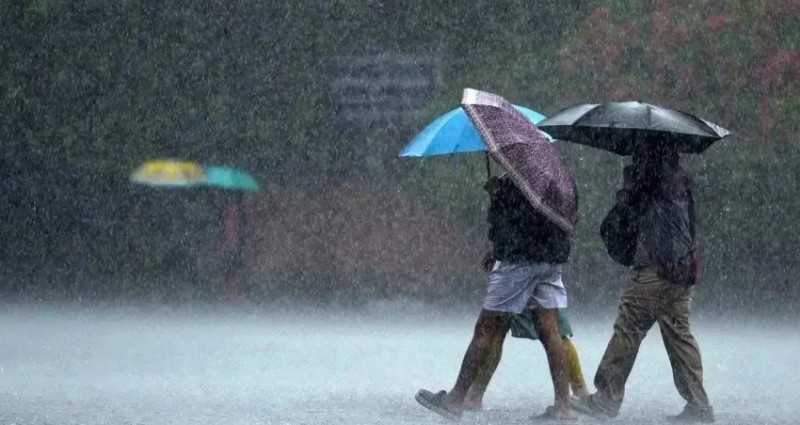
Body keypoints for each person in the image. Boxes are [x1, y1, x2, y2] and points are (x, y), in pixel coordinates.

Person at [571, 141, 714, 423]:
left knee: (628, 327)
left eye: (639, 151)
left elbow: (622, 219)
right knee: (680, 336)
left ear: (648, 153)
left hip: (654, 269)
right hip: (682, 269)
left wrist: (628, 188)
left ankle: (606, 398)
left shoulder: (649, 178)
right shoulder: (682, 180)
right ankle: (699, 404)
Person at [415, 174, 577, 421]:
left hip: (518, 261)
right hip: (552, 260)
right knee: (551, 331)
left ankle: (456, 399)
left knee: (486, 329)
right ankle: (563, 407)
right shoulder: (560, 178)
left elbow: (507, 225)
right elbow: (567, 220)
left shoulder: (516, 179)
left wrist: (497, 197)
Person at [461, 305, 590, 412]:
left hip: (513, 280)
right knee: (554, 331)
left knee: (495, 329)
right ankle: (579, 393)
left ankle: (474, 396)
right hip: (535, 279)